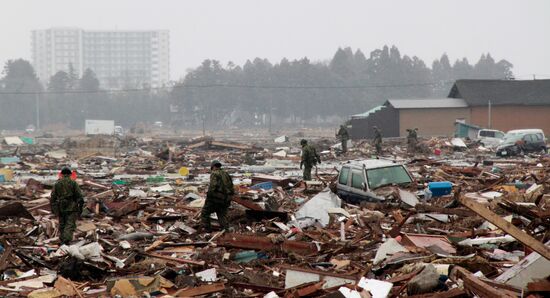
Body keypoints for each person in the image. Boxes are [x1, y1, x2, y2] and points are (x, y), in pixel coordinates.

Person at [50, 167, 84, 245]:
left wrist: (54, 208)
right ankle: (66, 240)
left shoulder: (57, 184)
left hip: (61, 206)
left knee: (62, 223)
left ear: (62, 174)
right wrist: (80, 207)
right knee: (70, 224)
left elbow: (53, 197)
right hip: (71, 206)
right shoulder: (73, 183)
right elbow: (79, 196)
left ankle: (62, 239)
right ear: (70, 174)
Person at [201, 160, 234, 232]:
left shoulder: (214, 173)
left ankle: (207, 231)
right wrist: (229, 197)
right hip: (225, 199)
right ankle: (225, 232)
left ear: (213, 167)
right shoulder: (226, 173)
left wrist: (209, 197)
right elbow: (231, 187)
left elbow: (212, 186)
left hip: (215, 198)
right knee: (221, 215)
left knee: (205, 213)